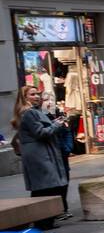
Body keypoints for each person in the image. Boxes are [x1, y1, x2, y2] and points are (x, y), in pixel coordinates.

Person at [12, 84, 71, 224]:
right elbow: (40, 133)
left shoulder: (32, 111)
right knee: (44, 188)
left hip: (41, 153)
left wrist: (54, 122)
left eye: (37, 93)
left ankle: (45, 220)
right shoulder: (29, 112)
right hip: (39, 155)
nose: (37, 96)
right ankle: (43, 221)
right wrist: (57, 125)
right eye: (32, 94)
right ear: (24, 97)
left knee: (44, 187)